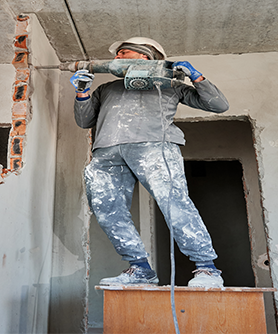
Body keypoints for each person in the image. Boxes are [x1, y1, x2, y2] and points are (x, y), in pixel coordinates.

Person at [71, 37, 229, 287]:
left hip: (155, 147)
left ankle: (207, 268)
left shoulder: (169, 84)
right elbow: (84, 121)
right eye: (117, 54)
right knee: (107, 209)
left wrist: (196, 78)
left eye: (123, 53)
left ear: (145, 56)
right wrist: (82, 91)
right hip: (106, 152)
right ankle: (140, 268)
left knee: (174, 203)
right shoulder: (107, 89)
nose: (117, 58)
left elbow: (219, 105)